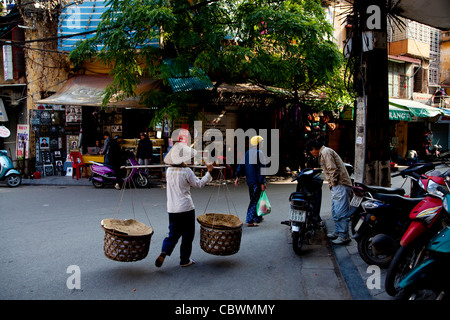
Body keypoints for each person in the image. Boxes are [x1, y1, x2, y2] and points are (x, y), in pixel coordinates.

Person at [155, 143, 213, 268]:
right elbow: (199, 184)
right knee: (188, 234)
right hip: (186, 208)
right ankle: (184, 259)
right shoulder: (186, 171)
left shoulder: (169, 171)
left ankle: (164, 251)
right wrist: (208, 173)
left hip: (172, 208)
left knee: (173, 233)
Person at [305, 139, 353, 245]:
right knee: (335, 211)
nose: (312, 154)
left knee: (340, 211)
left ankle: (343, 236)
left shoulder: (326, 152)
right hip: (338, 186)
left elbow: (332, 169)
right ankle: (338, 232)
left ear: (313, 148)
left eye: (311, 151)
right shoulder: (324, 152)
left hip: (341, 185)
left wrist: (333, 183)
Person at [234, 135, 266, 227]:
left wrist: (237, 176)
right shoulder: (260, 153)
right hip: (257, 181)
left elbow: (241, 165)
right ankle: (250, 220)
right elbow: (261, 169)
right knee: (255, 200)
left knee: (255, 198)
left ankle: (258, 217)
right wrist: (262, 182)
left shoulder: (248, 153)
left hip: (250, 181)